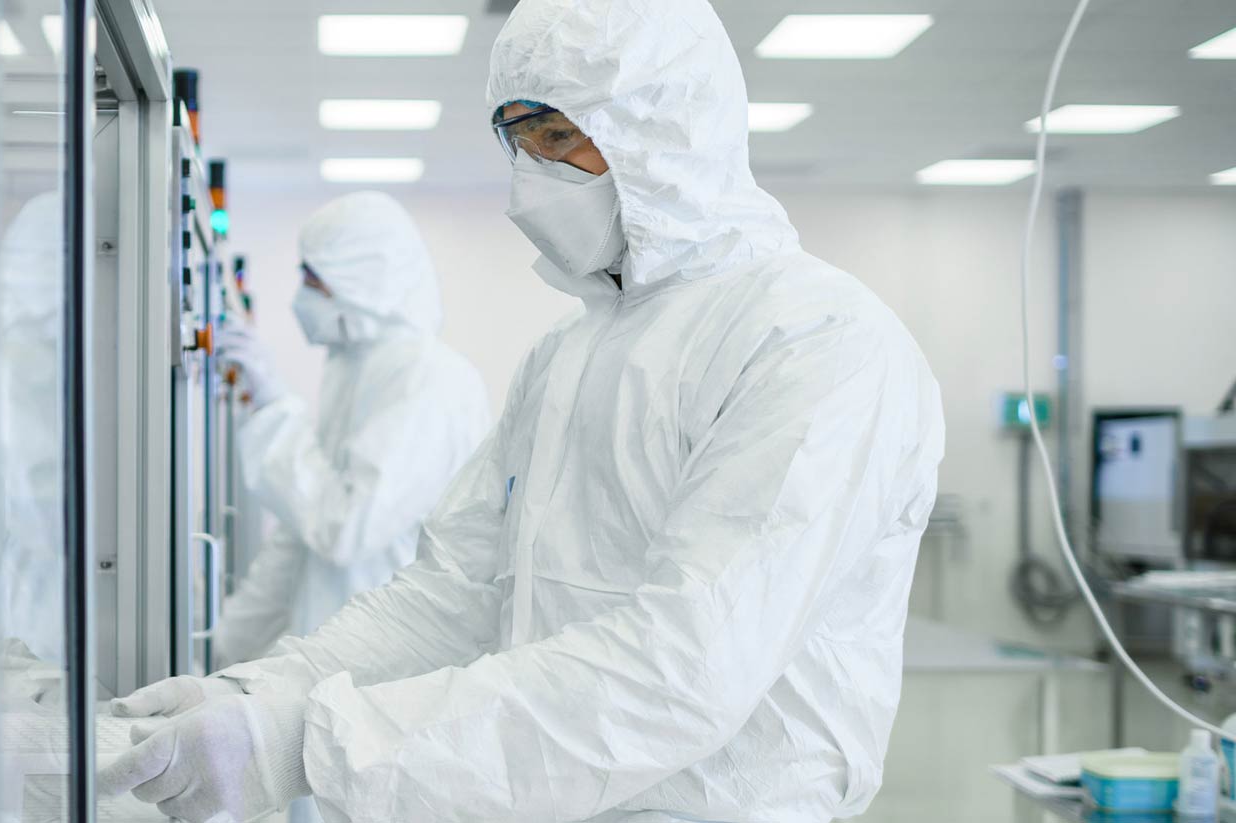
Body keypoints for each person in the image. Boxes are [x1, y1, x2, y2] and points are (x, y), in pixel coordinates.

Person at [99, 0, 946, 820]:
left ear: (661, 128)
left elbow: (682, 666)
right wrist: (262, 689)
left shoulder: (817, 341)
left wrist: (303, 742)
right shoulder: (568, 353)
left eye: (556, 138)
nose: (527, 186)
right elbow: (455, 593)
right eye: (517, 143)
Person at [205, 191, 490, 671]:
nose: (302, 297)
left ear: (362, 281)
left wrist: (275, 407)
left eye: (314, 280)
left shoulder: (430, 381)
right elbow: (299, 533)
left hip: (394, 664)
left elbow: (344, 527)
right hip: (335, 653)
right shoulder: (354, 371)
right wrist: (223, 650)